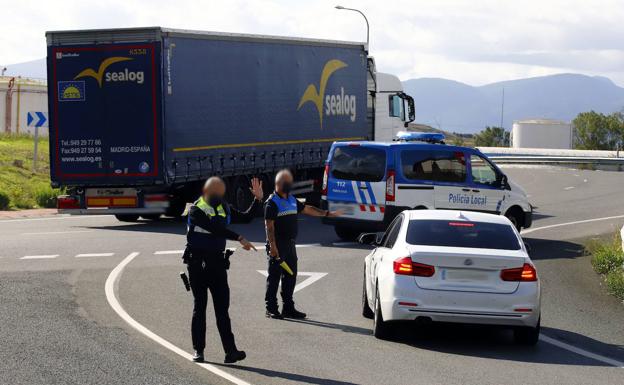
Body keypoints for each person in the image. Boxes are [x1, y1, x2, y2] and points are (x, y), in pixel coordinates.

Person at [184, 176, 263, 363]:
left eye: (221, 191)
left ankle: (231, 351)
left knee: (222, 310)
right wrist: (239, 238)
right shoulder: (196, 209)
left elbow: (245, 217)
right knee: (200, 307)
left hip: (217, 264)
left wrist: (257, 199)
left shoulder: (223, 206)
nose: (220, 195)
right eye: (216, 191)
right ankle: (199, 350)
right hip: (198, 264)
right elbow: (215, 229)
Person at [264, 169, 342, 319]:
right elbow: (269, 226)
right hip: (278, 245)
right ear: (278, 184)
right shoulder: (272, 203)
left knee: (290, 276)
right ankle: (271, 308)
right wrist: (273, 247)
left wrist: (326, 213)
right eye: (285, 182)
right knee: (274, 278)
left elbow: (307, 209)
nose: (288, 184)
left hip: (290, 245)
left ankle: (288, 308)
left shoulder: (292, 200)